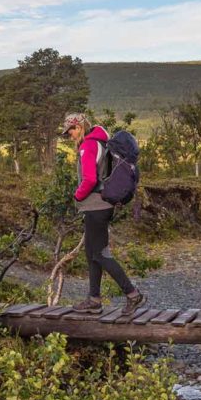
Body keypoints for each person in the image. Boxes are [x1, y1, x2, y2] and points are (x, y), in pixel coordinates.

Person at [61, 112, 145, 313]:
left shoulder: (88, 145)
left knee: (99, 254)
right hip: (103, 206)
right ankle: (94, 299)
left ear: (79, 127)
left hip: (96, 207)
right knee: (92, 254)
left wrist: (77, 196)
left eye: (71, 130)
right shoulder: (101, 142)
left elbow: (89, 179)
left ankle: (133, 294)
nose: (70, 135)